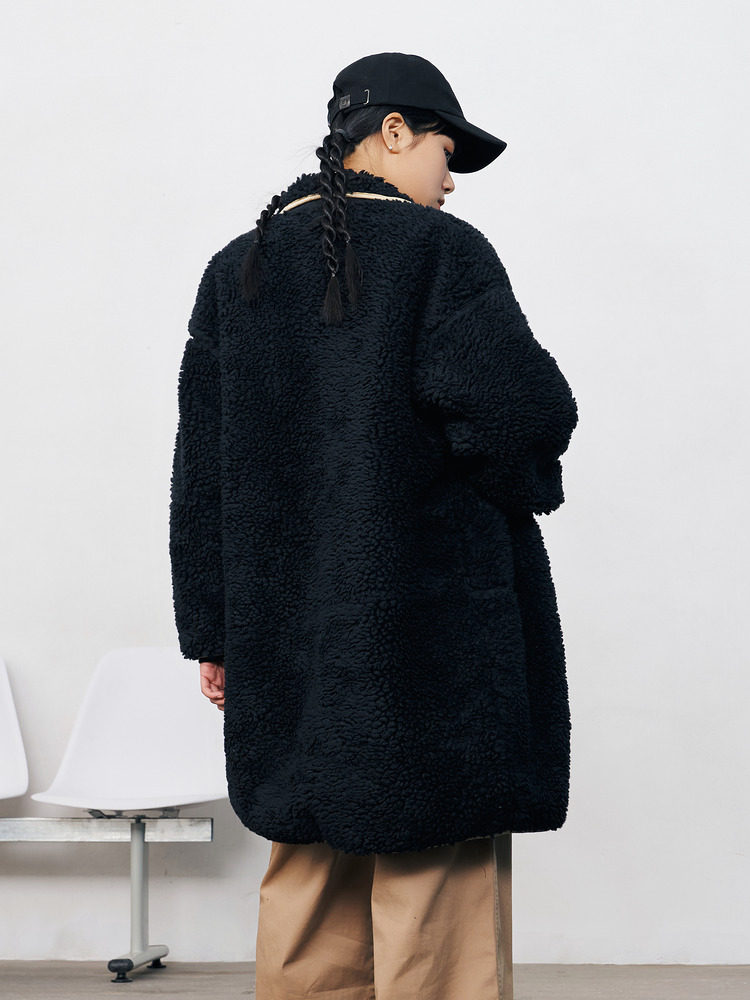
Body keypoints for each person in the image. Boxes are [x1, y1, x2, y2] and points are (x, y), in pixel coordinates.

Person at [169, 51, 579, 1000]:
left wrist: (215, 630)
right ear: (393, 131)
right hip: (432, 639)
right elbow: (522, 414)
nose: (450, 179)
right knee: (436, 871)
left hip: (287, 638)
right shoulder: (441, 252)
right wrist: (511, 477)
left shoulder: (238, 271)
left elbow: (202, 471)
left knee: (307, 868)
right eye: (445, 152)